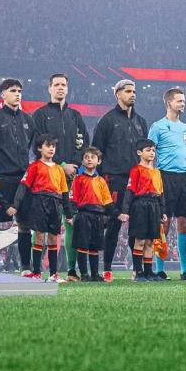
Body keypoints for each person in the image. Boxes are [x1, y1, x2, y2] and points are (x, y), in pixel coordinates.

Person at [31, 74, 89, 279]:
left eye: (63, 84)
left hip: (72, 175)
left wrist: (74, 165)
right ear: (49, 89)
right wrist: (61, 165)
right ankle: (36, 270)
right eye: (56, 85)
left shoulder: (76, 116)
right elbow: (36, 145)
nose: (60, 88)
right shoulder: (40, 115)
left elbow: (84, 144)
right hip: (47, 176)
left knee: (71, 221)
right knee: (40, 225)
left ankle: (71, 270)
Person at [91, 79, 148, 274]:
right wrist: (106, 175)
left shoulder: (141, 122)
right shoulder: (107, 120)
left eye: (134, 91)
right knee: (113, 225)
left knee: (137, 226)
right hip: (115, 180)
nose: (133, 95)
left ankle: (137, 270)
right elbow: (96, 151)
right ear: (118, 94)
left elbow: (145, 152)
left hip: (138, 181)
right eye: (128, 91)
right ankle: (107, 269)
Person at [0, 78, 35, 273]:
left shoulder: (28, 120)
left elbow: (29, 146)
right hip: (1, 179)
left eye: (19, 91)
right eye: (13, 90)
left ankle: (26, 267)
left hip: (22, 180)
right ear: (3, 94)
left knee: (24, 224)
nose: (17, 94)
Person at [147, 88, 186, 280]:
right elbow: (149, 155)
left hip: (183, 178)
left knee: (184, 223)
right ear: (169, 103)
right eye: (179, 101)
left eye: (184, 101)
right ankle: (159, 269)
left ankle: (185, 270)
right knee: (164, 223)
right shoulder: (158, 126)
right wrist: (152, 179)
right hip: (164, 177)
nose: (183, 103)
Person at [8, 134, 70, 280]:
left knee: (53, 238)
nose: (51, 149)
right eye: (48, 146)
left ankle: (53, 274)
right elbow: (23, 186)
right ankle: (36, 273)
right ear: (39, 148)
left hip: (55, 203)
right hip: (38, 202)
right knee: (39, 236)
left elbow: (64, 193)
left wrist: (68, 214)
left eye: (53, 146)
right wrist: (15, 205)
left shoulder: (59, 169)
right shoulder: (34, 166)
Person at [118, 140, 166, 281]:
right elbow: (130, 191)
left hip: (154, 206)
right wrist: (125, 211)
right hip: (140, 205)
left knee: (150, 241)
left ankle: (149, 272)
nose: (152, 153)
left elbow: (161, 193)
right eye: (148, 150)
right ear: (139, 152)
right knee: (140, 240)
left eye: (153, 150)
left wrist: (163, 211)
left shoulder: (157, 172)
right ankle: (138, 271)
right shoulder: (136, 170)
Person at [67, 147, 113, 281]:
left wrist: (110, 216)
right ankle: (84, 274)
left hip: (98, 216)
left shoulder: (101, 181)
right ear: (82, 161)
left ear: (99, 161)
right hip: (83, 215)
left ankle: (94, 274)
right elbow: (72, 199)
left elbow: (107, 201)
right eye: (86, 157)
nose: (89, 159)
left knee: (94, 246)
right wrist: (71, 215)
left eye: (93, 157)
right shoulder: (78, 179)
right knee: (82, 245)